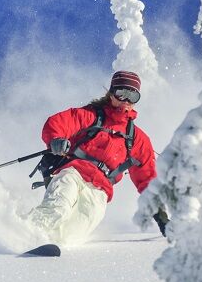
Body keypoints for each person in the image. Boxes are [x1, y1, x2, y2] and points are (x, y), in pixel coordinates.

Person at [28, 70, 157, 246]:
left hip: (101, 190)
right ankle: (25, 235)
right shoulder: (92, 116)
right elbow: (58, 123)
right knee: (58, 207)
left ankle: (47, 246)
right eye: (121, 94)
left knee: (75, 232)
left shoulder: (136, 138)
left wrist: (159, 213)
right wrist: (56, 139)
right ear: (112, 93)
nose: (126, 101)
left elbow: (147, 177)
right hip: (73, 173)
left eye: (132, 96)